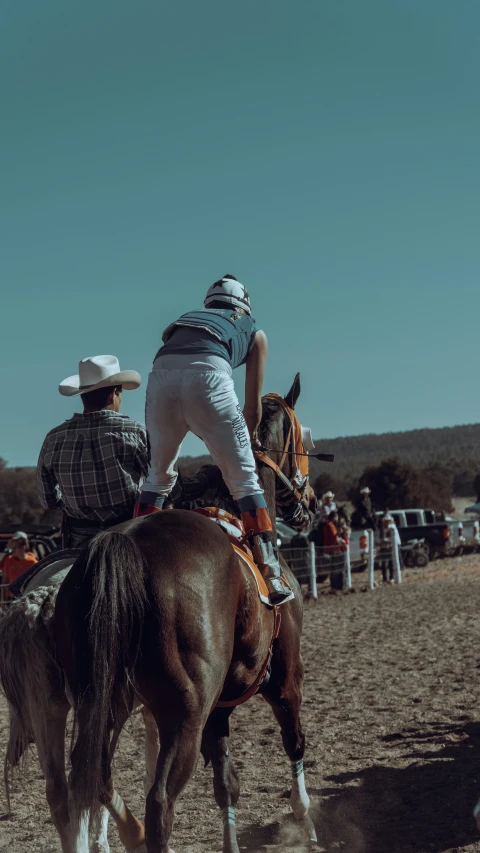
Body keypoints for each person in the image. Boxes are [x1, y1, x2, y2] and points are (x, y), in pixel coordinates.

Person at [135, 274, 293, 605]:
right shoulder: (254, 330)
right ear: (244, 304)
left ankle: (134, 552)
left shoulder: (184, 321)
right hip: (209, 379)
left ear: (209, 303)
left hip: (160, 377)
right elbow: (252, 407)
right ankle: (271, 572)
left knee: (158, 476)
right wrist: (245, 441)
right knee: (245, 482)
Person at [37, 355, 148, 549]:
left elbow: (48, 499)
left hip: (79, 538)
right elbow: (165, 482)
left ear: (83, 395)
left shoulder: (54, 438)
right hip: (129, 534)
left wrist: (75, 506)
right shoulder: (135, 432)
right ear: (113, 394)